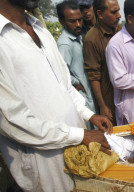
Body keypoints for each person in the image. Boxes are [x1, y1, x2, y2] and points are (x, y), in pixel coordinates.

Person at [0, 0, 113, 191]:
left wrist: (88, 115)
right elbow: (11, 120)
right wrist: (78, 135)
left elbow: (64, 85)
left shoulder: (40, 29)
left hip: (77, 148)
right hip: (44, 163)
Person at [57, 0, 96, 130]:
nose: (78, 24)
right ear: (62, 21)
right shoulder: (65, 44)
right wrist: (76, 82)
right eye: (73, 21)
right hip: (81, 95)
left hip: (88, 93)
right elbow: (60, 72)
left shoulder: (78, 37)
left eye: (80, 20)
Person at [83, 0, 121, 126]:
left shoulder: (121, 31)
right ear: (100, 14)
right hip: (110, 99)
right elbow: (94, 76)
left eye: (118, 11)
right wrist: (103, 106)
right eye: (114, 12)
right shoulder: (92, 39)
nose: (119, 15)